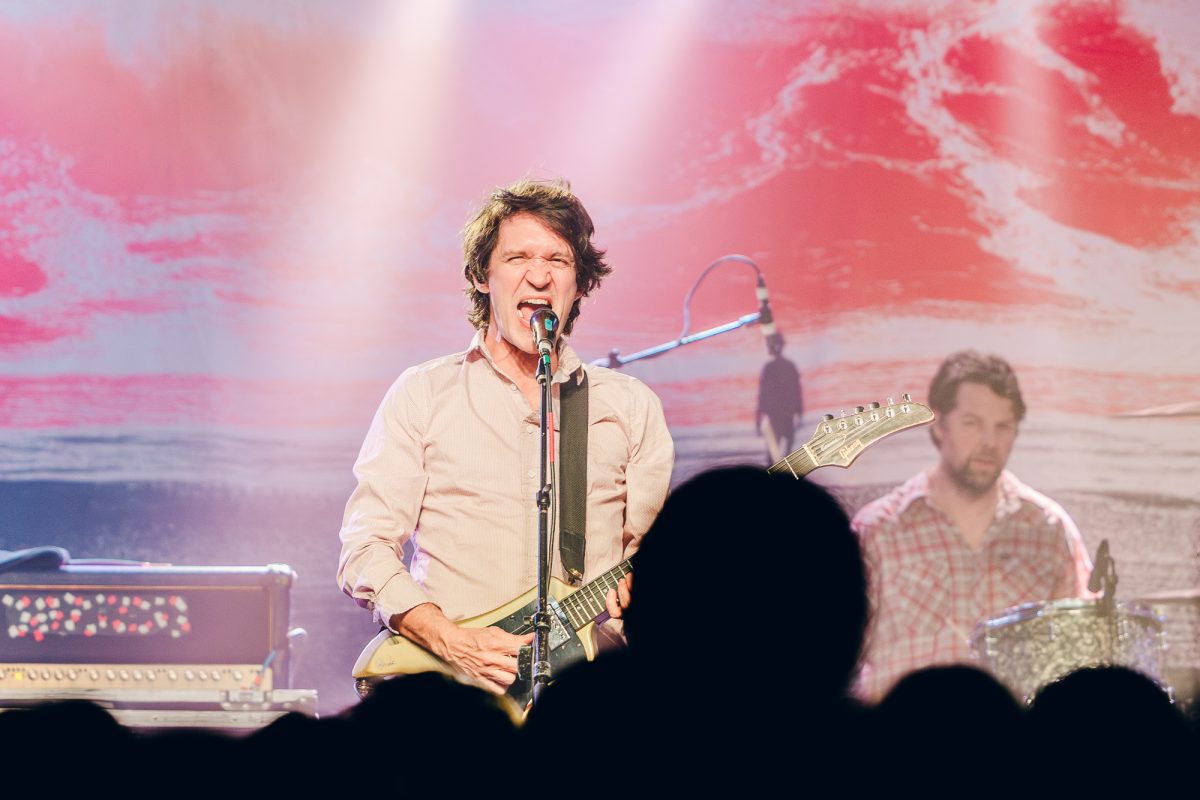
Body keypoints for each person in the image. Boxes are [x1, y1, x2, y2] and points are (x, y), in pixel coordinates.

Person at [336, 178, 674, 695]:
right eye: (517, 258)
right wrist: (448, 639)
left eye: (558, 262)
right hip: (449, 689)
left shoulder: (629, 406)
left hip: (588, 693)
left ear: (580, 284)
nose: (538, 276)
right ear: (481, 276)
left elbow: (652, 555)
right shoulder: (424, 392)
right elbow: (365, 547)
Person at [851, 350, 1092, 701]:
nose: (989, 442)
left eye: (1002, 426)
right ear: (938, 423)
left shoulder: (1048, 528)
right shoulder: (878, 530)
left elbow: (1082, 652)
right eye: (972, 423)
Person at [755, 334, 804, 465]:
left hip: (776, 416)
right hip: (785, 415)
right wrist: (799, 412)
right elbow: (796, 392)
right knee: (786, 456)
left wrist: (758, 417)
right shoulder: (789, 366)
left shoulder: (770, 368)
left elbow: (762, 395)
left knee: (772, 457)